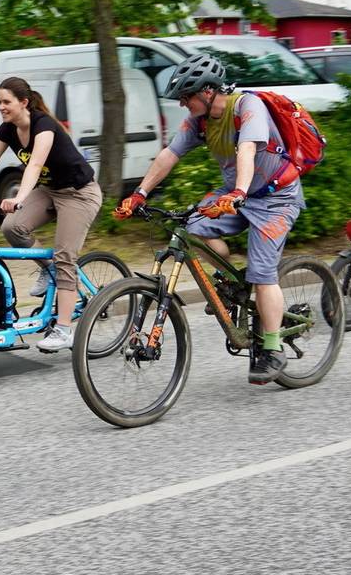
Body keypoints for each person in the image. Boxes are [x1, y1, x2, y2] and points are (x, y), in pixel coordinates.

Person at [114, 53, 300, 383]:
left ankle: (273, 349)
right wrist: (139, 193)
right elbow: (169, 155)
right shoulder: (199, 122)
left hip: (274, 199)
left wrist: (239, 193)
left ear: (209, 91)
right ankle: (229, 283)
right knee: (192, 228)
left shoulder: (248, 108)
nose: (183, 104)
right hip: (235, 195)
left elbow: (247, 150)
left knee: (262, 272)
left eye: (187, 96)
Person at [0, 77, 101, 352]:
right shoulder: (8, 130)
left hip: (79, 193)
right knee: (12, 228)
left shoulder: (44, 126)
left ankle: (64, 329)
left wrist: (19, 198)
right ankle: (48, 269)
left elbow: (35, 164)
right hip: (51, 190)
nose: (1, 107)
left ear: (23, 102)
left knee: (65, 256)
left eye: (6, 102)